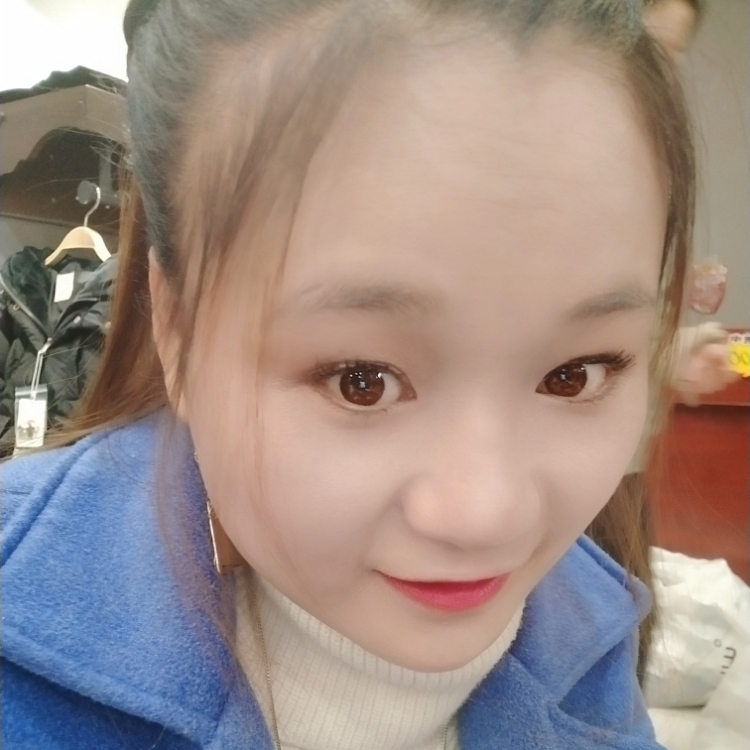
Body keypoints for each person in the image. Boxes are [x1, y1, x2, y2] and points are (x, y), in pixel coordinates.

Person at [1, 0, 695, 748]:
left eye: (574, 375)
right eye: (361, 380)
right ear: (176, 327)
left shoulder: (596, 635)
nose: (487, 516)